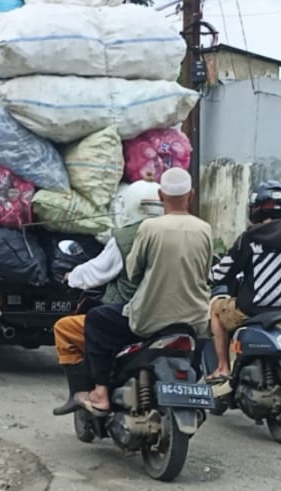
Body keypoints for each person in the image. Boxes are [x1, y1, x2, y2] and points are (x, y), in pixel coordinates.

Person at [74, 168, 212, 414]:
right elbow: (206, 272)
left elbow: (133, 271)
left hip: (151, 319)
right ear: (191, 195)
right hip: (195, 320)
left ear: (161, 195)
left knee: (96, 320)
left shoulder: (150, 228)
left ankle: (101, 392)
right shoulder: (204, 229)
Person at [52, 181, 162, 414]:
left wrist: (71, 277)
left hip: (132, 317)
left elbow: (96, 272)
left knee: (67, 327)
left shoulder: (125, 238)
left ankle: (90, 392)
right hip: (177, 317)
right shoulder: (179, 232)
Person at [206, 180, 281, 384]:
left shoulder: (250, 238)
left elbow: (224, 271)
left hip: (253, 309)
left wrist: (209, 277)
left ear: (256, 209)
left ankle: (223, 367)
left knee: (216, 309)